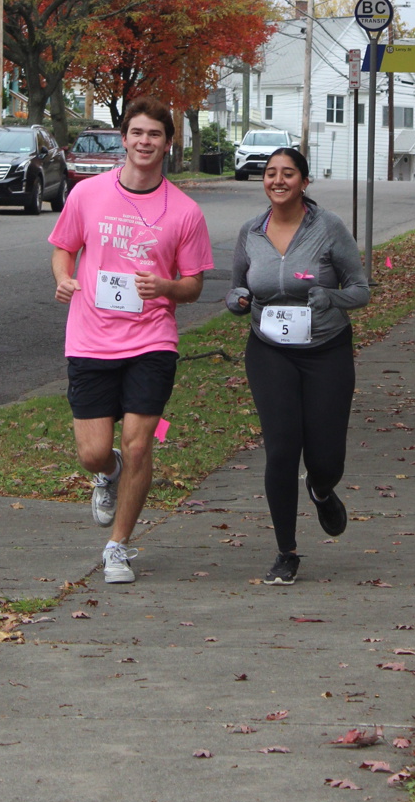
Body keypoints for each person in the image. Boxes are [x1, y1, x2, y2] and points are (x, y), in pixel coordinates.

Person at [49, 97, 213, 584]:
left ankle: (117, 547)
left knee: (140, 446)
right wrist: (63, 278)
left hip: (152, 340)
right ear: (124, 139)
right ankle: (108, 471)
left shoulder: (185, 211)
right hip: (90, 338)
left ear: (168, 144)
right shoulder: (88, 194)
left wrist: (165, 287)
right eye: (137, 133)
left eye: (154, 134)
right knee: (92, 453)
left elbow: (194, 285)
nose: (145, 141)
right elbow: (64, 248)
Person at [226, 147, 369, 585]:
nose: (278, 180)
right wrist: (238, 300)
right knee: (282, 448)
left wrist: (332, 297)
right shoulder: (251, 232)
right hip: (270, 350)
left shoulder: (328, 228)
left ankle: (321, 489)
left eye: (288, 173)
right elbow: (235, 288)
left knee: (325, 457)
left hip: (326, 349)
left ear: (304, 182)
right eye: (271, 173)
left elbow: (361, 289)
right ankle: (285, 551)